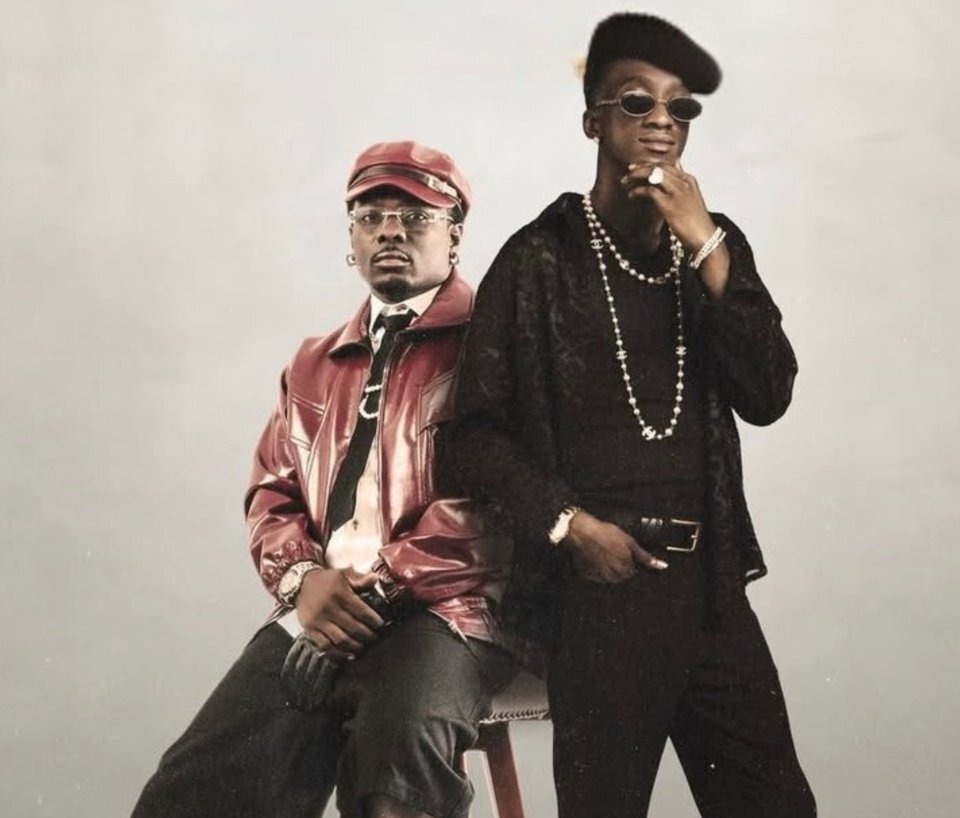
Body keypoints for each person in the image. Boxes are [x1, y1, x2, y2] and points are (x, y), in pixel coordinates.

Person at [450, 13, 816, 818]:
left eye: (679, 107)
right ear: (593, 121)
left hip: (710, 589)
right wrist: (568, 525)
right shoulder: (538, 258)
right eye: (636, 101)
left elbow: (769, 395)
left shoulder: (713, 247)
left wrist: (706, 244)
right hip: (600, 598)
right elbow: (471, 439)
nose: (661, 121)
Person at [132, 141, 514, 818]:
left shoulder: (497, 341)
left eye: (414, 216)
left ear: (454, 234)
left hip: (451, 609)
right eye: (371, 217)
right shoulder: (314, 362)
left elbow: (491, 503)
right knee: (194, 785)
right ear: (351, 237)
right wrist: (304, 583)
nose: (390, 231)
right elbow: (271, 493)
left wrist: (372, 593)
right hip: (320, 605)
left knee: (394, 771)